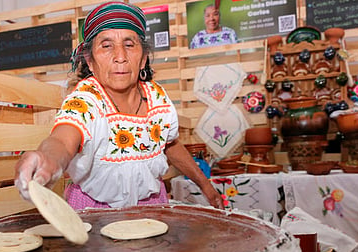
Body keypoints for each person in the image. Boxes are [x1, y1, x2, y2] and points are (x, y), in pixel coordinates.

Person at [14, 1, 224, 210]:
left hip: (154, 208)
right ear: (89, 60)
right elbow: (62, 140)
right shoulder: (86, 100)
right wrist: (48, 160)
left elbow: (169, 144)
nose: (120, 57)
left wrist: (205, 186)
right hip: (95, 211)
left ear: (143, 58)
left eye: (129, 45)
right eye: (106, 46)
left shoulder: (157, 97)